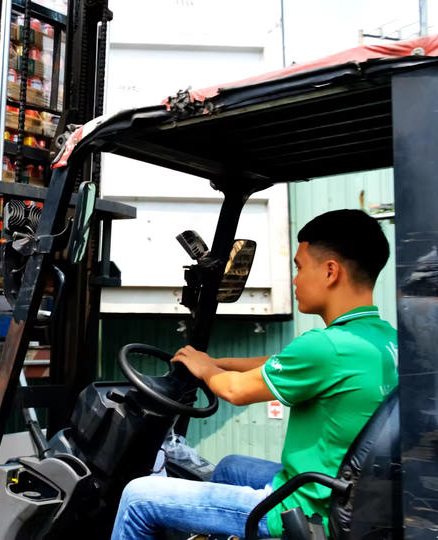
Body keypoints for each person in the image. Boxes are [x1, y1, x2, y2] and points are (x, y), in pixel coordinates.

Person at [111, 209, 398, 539]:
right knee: (230, 467)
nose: (295, 279)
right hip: (345, 495)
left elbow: (235, 391)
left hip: (306, 510)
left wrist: (206, 369)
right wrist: (217, 362)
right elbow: (280, 362)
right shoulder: (381, 339)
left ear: (330, 271)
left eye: (300, 267)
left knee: (138, 497)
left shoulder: (326, 346)